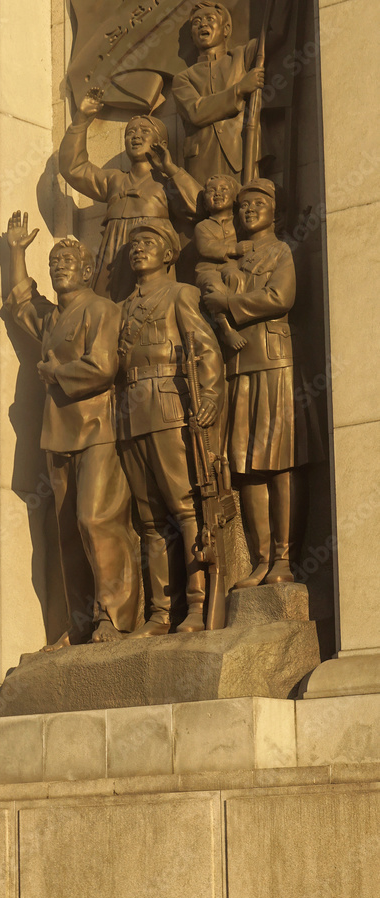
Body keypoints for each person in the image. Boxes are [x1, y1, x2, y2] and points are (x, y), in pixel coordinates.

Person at [4, 211, 140, 647]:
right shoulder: (53, 319)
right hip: (58, 435)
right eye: (53, 264)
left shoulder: (101, 309)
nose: (59, 268)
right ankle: (79, 622)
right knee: (65, 532)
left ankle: (115, 617)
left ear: (86, 271)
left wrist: (56, 373)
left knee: (96, 519)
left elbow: (103, 366)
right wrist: (15, 254)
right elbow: (23, 304)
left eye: (68, 263)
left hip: (98, 430)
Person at [202, 179, 313, 587]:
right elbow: (208, 294)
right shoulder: (228, 265)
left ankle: (284, 557)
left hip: (275, 361)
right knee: (245, 463)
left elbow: (280, 297)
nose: (248, 210)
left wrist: (229, 304)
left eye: (257, 204)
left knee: (281, 460)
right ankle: (261, 558)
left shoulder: (282, 250)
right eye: (243, 205)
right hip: (238, 367)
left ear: (274, 212)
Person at [116, 218, 224, 635]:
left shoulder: (180, 295)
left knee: (185, 508)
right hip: (130, 414)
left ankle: (197, 606)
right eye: (134, 244)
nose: (137, 249)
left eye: (147, 242)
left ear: (167, 253)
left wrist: (211, 396)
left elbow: (205, 349)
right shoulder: (122, 307)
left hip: (168, 409)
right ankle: (161, 612)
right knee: (148, 518)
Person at [59, 87, 200, 301]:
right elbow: (73, 167)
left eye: (144, 132)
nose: (136, 136)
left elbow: (199, 206)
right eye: (130, 133)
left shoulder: (167, 182)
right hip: (113, 257)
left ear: (161, 143)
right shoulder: (114, 180)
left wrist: (170, 169)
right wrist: (82, 119)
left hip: (152, 257)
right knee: (109, 315)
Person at [171, 0, 292, 185]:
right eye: (196, 23)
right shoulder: (183, 79)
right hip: (202, 164)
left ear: (226, 29)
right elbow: (196, 112)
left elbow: (275, 32)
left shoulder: (243, 56)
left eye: (209, 19)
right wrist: (239, 89)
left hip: (243, 149)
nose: (202, 25)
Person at [194, 174, 247, 351]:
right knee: (213, 286)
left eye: (224, 190)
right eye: (212, 191)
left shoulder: (240, 222)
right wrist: (234, 249)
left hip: (232, 267)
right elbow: (205, 248)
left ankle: (238, 320)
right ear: (204, 203)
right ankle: (225, 329)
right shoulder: (202, 226)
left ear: (234, 198)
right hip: (207, 270)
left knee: (236, 277)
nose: (217, 194)